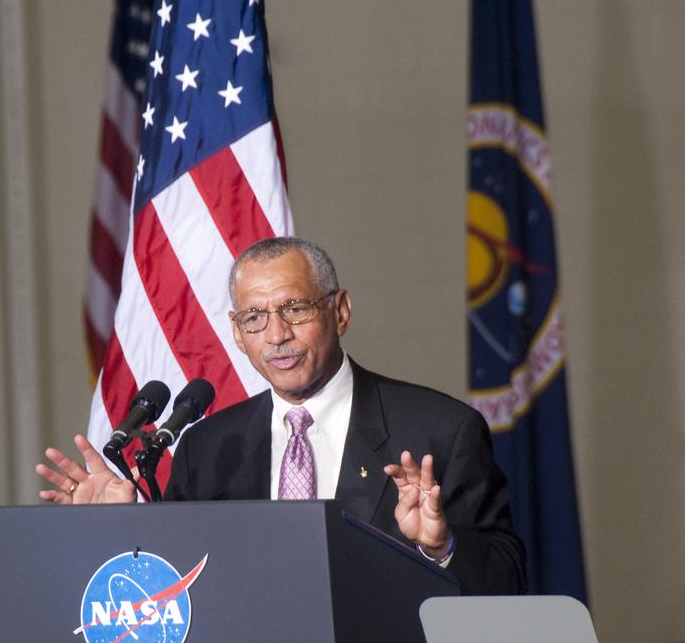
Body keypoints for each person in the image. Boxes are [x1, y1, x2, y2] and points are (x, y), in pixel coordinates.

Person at [38, 237, 525, 595]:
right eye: (255, 317)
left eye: (295, 308)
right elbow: (183, 591)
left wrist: (441, 547)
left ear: (341, 311)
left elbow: (508, 582)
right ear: (236, 332)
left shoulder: (440, 430)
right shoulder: (208, 449)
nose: (276, 335)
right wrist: (124, 531)